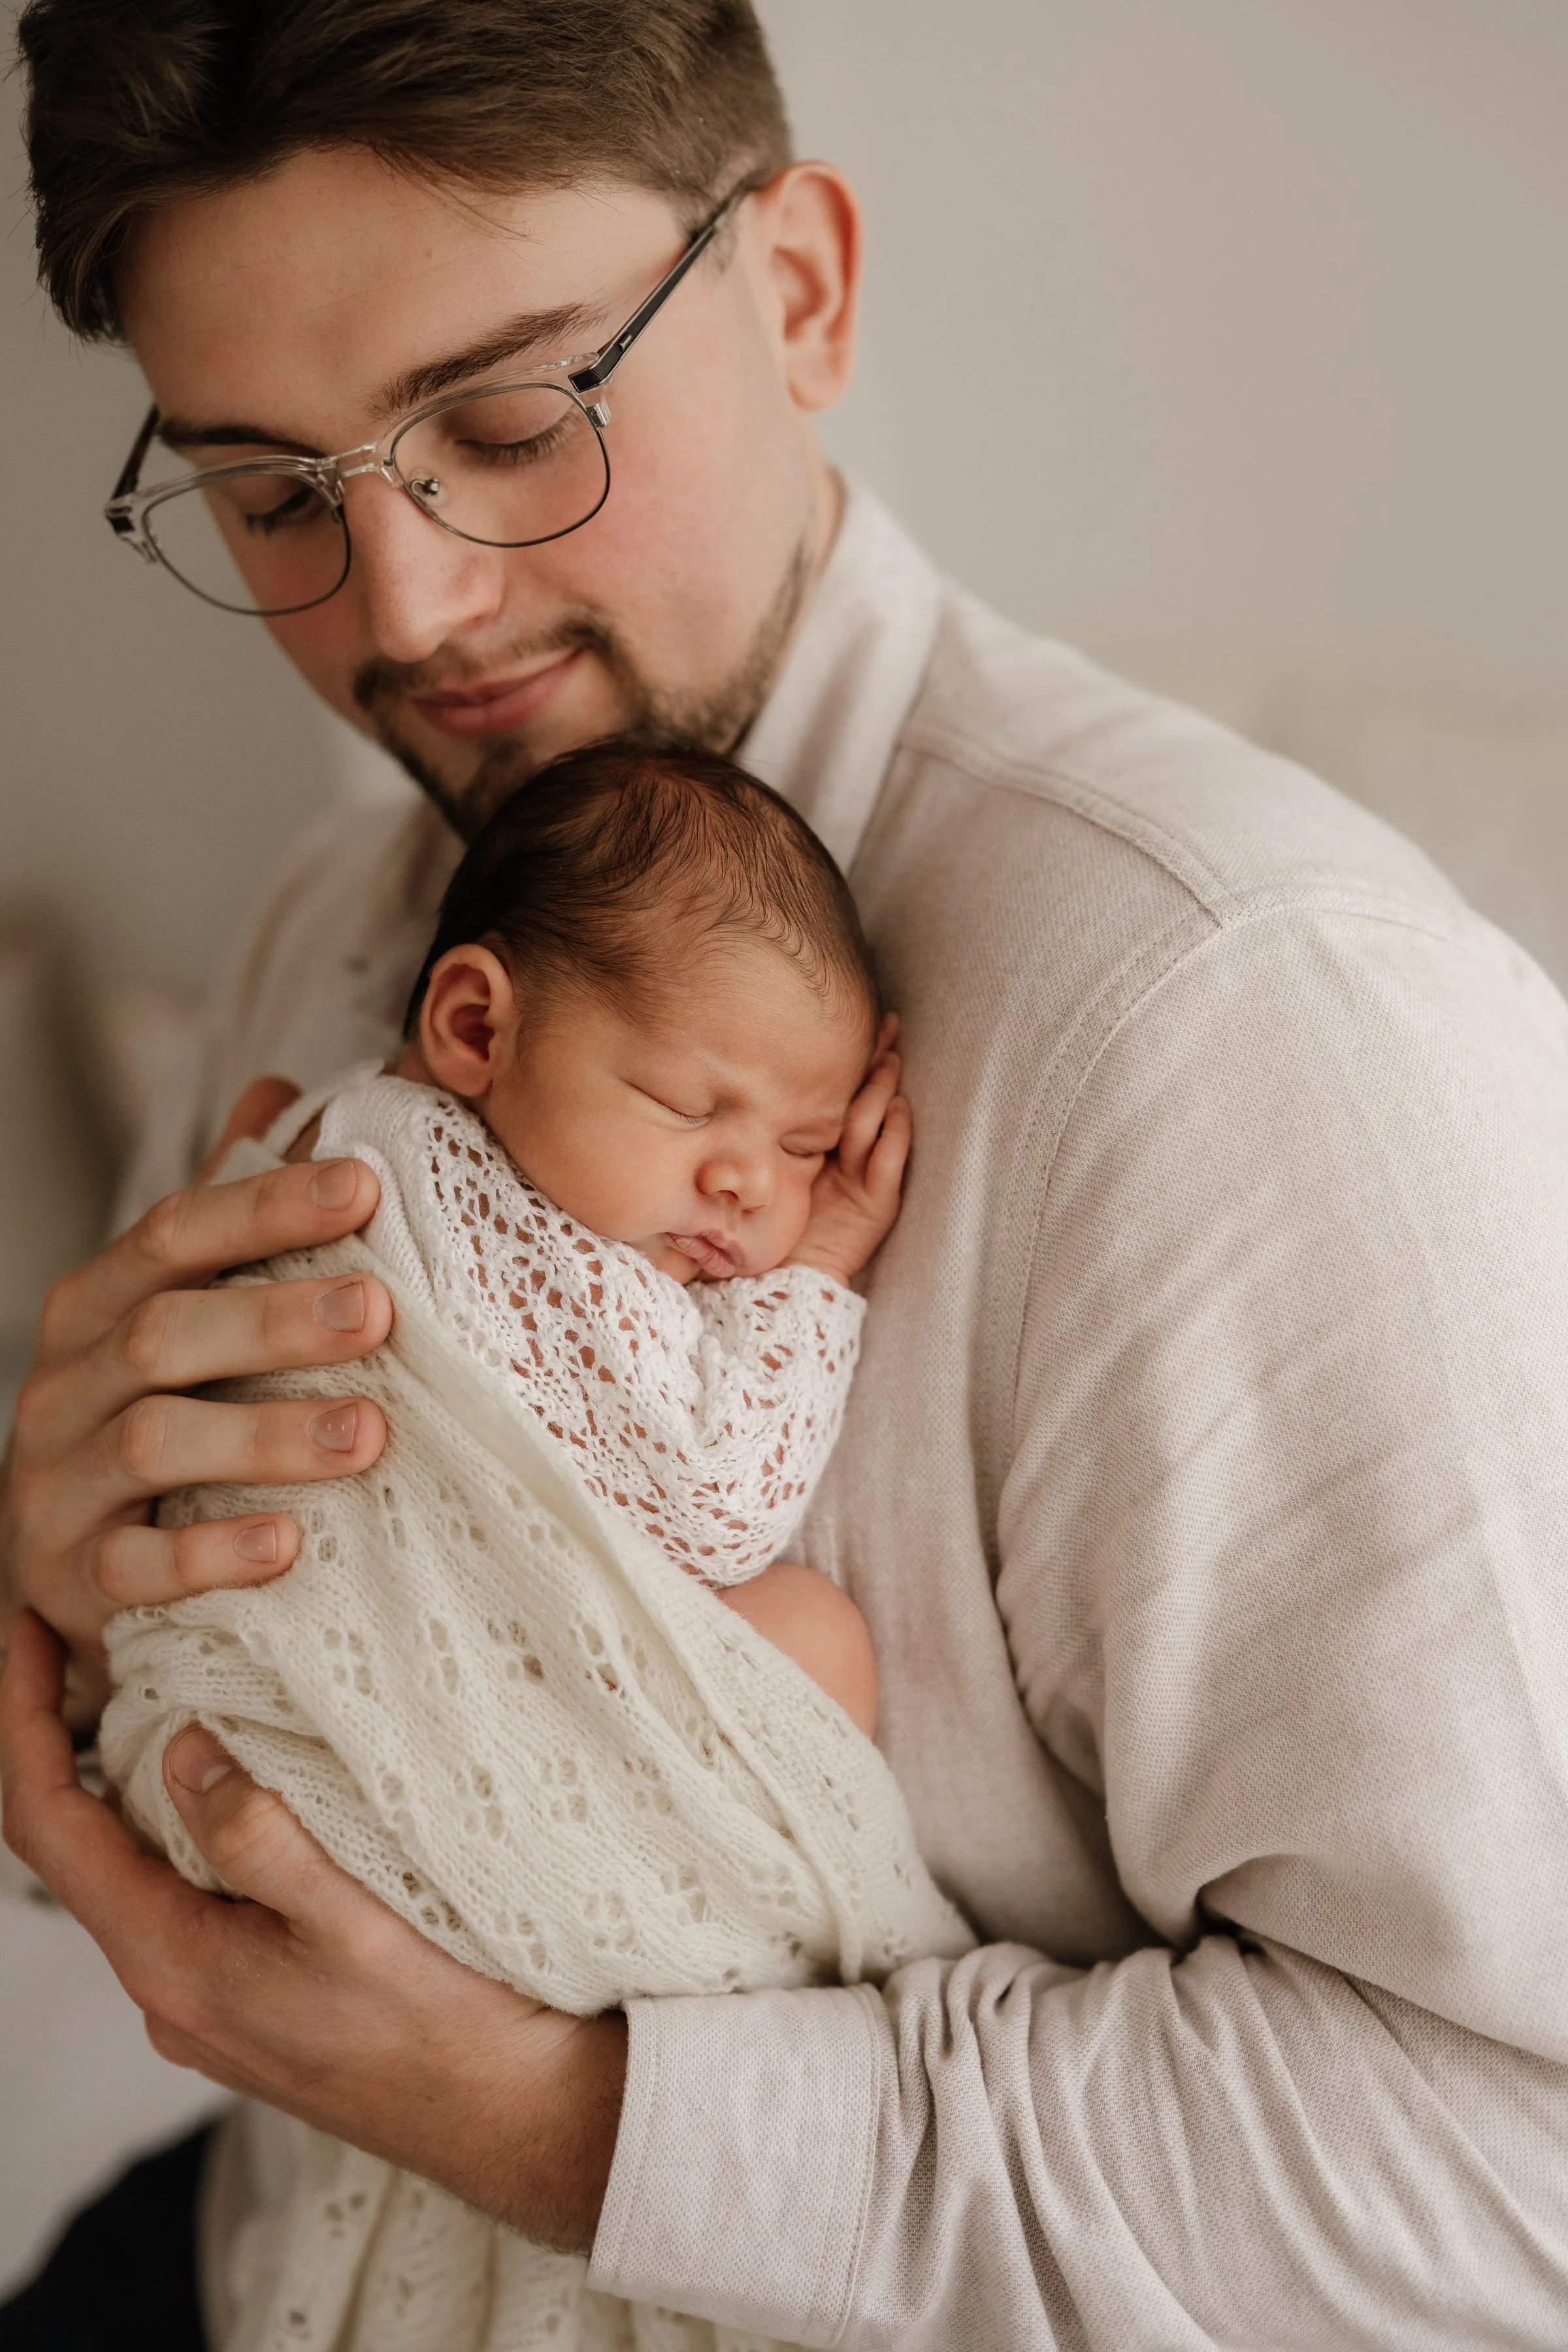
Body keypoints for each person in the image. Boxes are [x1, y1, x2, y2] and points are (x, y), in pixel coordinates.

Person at [5, 3, 1568, 2346]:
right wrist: (64, 1601)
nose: (407, 618)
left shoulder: (1247, 1031)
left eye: (509, 425)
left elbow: (1513, 2173)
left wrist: (560, 2119)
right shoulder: (333, 935)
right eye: (274, 498)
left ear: (808, 291)